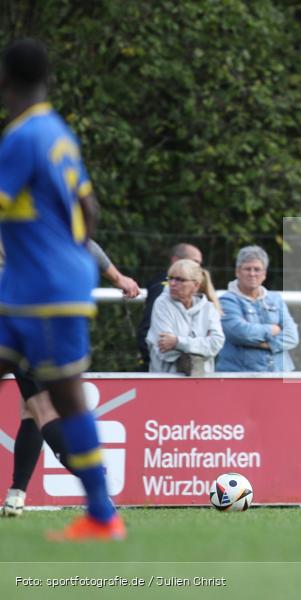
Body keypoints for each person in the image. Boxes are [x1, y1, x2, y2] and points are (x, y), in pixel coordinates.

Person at [0, 38, 123, 539]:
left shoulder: (21, 136)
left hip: (43, 288)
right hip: (38, 284)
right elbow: (89, 211)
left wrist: (46, 258)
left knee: (66, 399)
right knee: (62, 399)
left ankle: (102, 513)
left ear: (5, 79)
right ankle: (102, 512)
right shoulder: (58, 133)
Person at [2, 238, 139, 517]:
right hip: (46, 313)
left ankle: (94, 483)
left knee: (43, 408)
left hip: (18, 315)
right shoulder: (42, 209)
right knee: (33, 409)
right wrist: (117, 277)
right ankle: (17, 494)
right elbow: (84, 242)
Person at [216, 245, 299, 372]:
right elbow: (240, 332)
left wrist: (265, 344)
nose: (252, 274)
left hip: (280, 373)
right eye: (247, 269)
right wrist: (272, 329)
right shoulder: (226, 301)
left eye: (257, 269)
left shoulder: (276, 299)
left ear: (264, 274)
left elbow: (292, 336)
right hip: (240, 376)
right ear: (237, 272)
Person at [146, 258, 224, 374]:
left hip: (201, 381)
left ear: (196, 285)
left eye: (179, 280)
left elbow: (216, 344)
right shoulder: (161, 303)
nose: (172, 284)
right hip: (165, 380)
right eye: (170, 278)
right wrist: (202, 345)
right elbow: (165, 350)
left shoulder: (209, 308)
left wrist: (177, 342)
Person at [136, 242, 203, 370]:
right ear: (175, 260)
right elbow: (147, 329)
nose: (198, 267)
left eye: (199, 263)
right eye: (195, 262)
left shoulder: (204, 302)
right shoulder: (163, 290)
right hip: (163, 369)